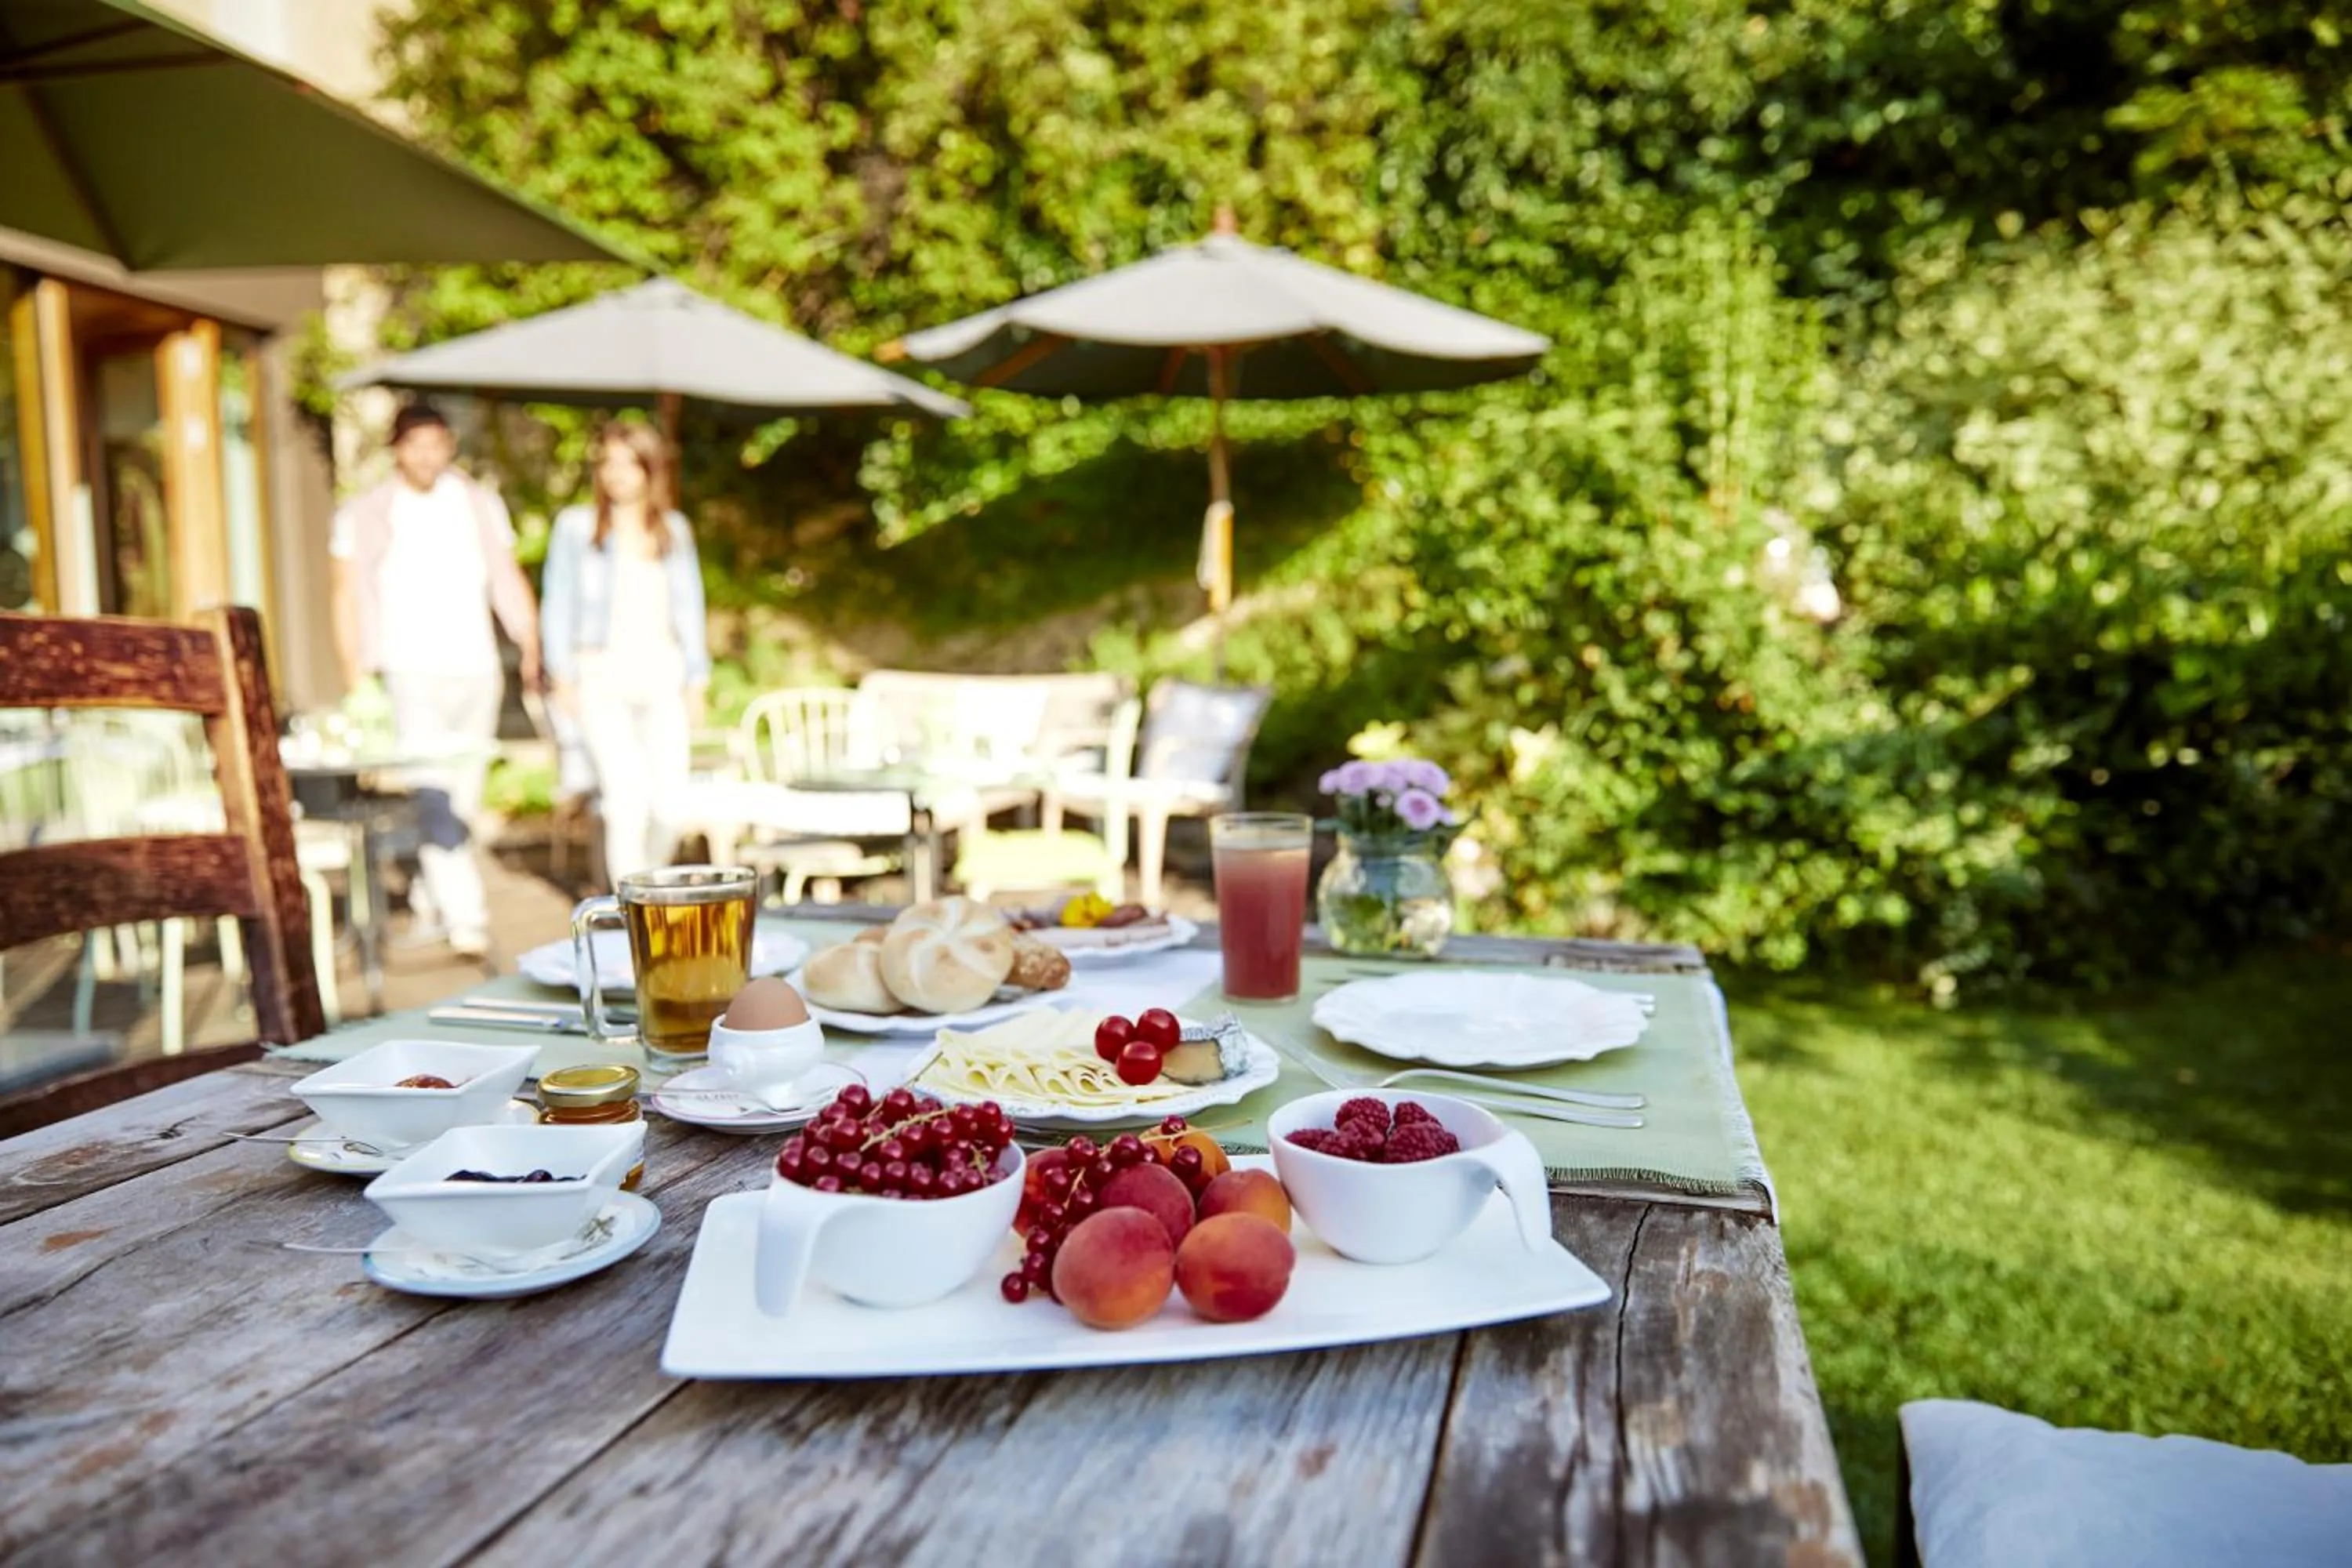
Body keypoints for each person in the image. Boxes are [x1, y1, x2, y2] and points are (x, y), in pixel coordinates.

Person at [329, 402, 539, 958]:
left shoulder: (477, 502)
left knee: (462, 796)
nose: (427, 454)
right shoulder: (367, 511)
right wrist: (355, 675)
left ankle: (431, 890)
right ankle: (467, 917)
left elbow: (506, 577)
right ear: (397, 448)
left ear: (449, 445)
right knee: (433, 789)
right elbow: (346, 595)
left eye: (437, 442)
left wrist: (531, 641)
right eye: (415, 443)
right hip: (407, 665)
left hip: (476, 665)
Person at [539, 421, 710, 882]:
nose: (616, 474)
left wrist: (697, 679)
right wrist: (561, 674)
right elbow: (558, 601)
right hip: (602, 671)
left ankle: (651, 885)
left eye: (628, 463)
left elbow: (690, 606)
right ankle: (631, 909)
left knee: (672, 801)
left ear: (648, 469)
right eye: (607, 463)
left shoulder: (673, 530)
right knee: (625, 798)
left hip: (662, 671)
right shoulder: (576, 528)